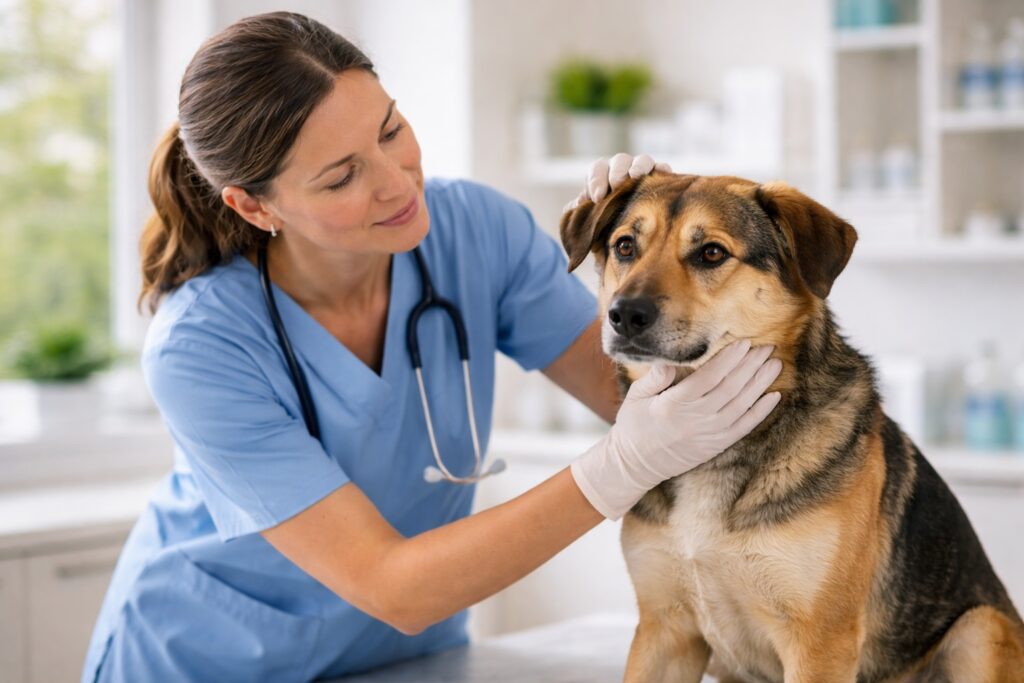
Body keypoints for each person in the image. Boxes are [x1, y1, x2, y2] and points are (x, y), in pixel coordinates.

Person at [82, 11, 782, 683]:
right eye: (341, 176)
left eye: (390, 130)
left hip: (400, 661)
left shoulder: (476, 232)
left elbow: (645, 401)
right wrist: (616, 469)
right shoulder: (201, 346)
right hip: (204, 662)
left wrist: (645, 246)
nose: (396, 183)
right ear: (254, 206)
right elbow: (395, 587)